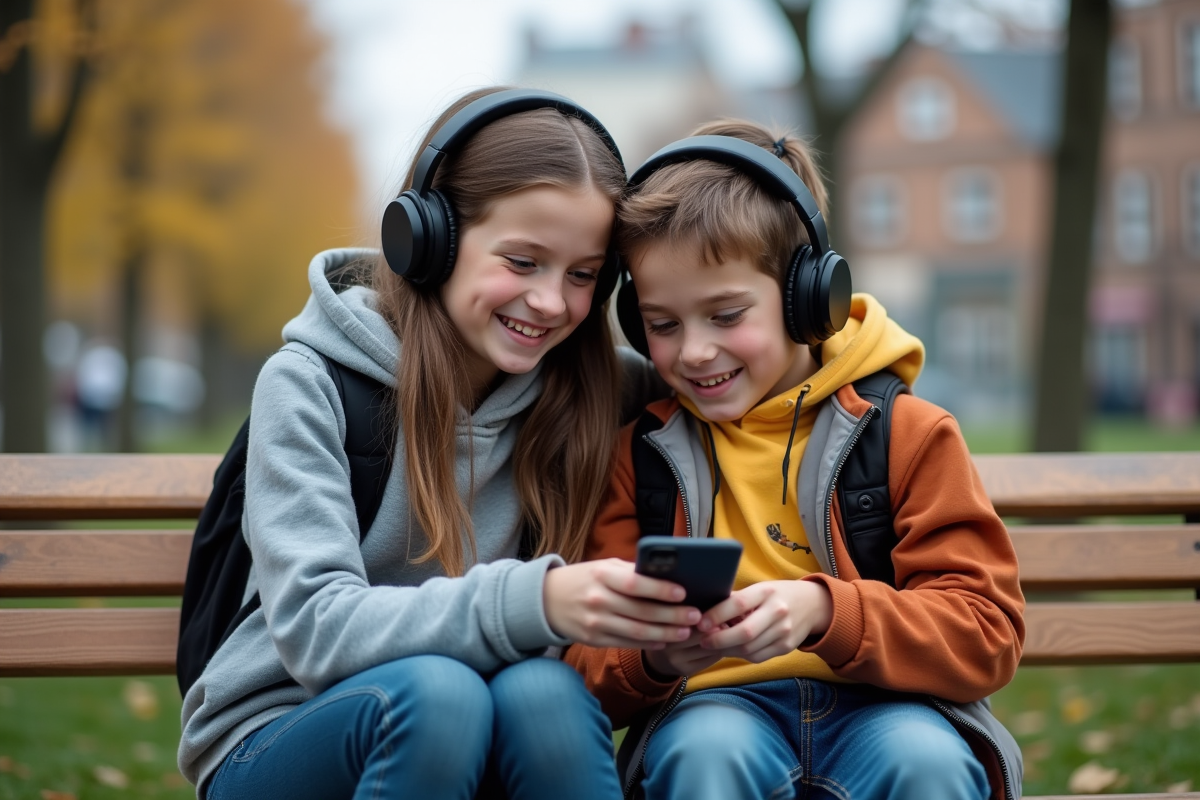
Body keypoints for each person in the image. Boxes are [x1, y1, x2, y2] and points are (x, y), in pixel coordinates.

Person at [179, 88, 697, 800]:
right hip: (282, 737)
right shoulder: (310, 383)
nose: (551, 302)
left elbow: (750, 373)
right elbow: (316, 631)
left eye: (582, 275)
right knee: (438, 694)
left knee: (545, 693)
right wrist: (536, 602)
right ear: (429, 238)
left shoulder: (600, 391)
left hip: (480, 729)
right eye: (522, 261)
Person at [565, 120, 1026, 800]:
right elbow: (588, 664)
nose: (693, 352)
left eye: (725, 316)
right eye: (664, 325)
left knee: (926, 763)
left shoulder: (909, 435)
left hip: (890, 706)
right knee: (705, 755)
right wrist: (655, 656)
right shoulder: (641, 454)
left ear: (808, 299)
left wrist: (822, 610)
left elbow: (985, 634)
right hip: (712, 710)